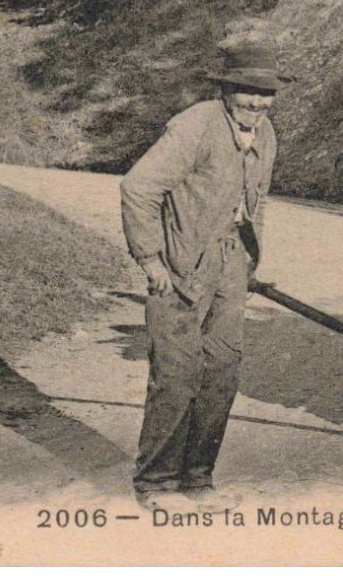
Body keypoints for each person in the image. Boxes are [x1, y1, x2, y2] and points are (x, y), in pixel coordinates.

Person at [119, 36, 286, 513]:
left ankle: (197, 478)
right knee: (176, 374)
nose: (257, 102)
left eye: (266, 93)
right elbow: (139, 187)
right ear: (227, 90)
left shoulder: (266, 134)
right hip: (180, 266)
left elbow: (258, 201)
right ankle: (156, 484)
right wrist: (150, 259)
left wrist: (249, 262)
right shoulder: (195, 127)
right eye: (247, 91)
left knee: (222, 371)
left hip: (231, 264)